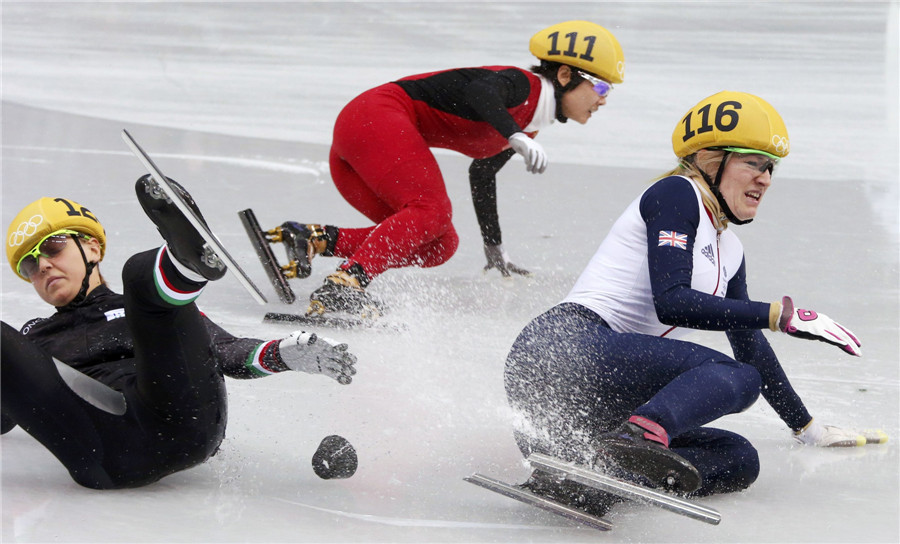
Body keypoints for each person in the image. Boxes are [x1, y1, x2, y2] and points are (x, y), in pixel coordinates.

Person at [503, 91, 887, 516]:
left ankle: (597, 477)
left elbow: (751, 346)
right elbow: (672, 302)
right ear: (708, 158)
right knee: (736, 377)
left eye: (770, 167)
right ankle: (634, 441)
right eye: (752, 163)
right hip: (558, 353)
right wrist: (778, 315)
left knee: (739, 458)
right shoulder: (676, 194)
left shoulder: (732, 249)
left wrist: (807, 429)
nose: (766, 179)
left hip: (596, 404)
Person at [1, 175, 357, 489]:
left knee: (141, 277)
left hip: (181, 417)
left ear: (92, 247)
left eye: (53, 247)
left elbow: (223, 350)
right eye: (30, 264)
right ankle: (184, 265)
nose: (43, 264)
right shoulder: (37, 338)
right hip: (104, 448)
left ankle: (186, 263)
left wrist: (282, 354)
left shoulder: (144, 305)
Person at [272, 20, 625, 317]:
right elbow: (479, 92)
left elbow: (482, 173)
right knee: (432, 211)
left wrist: (494, 248)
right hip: (373, 117)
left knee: (440, 244)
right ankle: (345, 285)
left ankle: (316, 239)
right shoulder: (521, 85)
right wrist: (514, 134)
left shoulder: (529, 124)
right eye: (600, 85)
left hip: (361, 149)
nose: (604, 98)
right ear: (564, 74)